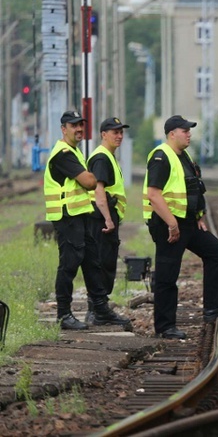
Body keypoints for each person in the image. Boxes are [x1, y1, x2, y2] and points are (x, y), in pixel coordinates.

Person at [144, 115, 218, 339]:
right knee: (168, 275)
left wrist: (198, 215)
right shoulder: (161, 156)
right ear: (171, 134)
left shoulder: (183, 156)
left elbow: (193, 187)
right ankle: (165, 327)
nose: (189, 134)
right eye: (184, 130)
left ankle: (214, 308)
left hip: (187, 222)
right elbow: (153, 195)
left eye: (189, 130)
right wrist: (171, 223)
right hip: (168, 224)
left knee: (216, 251)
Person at [44, 111, 121, 330]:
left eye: (81, 125)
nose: (78, 129)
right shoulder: (63, 153)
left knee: (91, 262)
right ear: (63, 129)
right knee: (69, 265)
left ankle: (101, 308)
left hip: (79, 215)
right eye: (73, 125)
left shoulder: (75, 152)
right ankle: (64, 315)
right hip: (67, 216)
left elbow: (87, 179)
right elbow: (89, 181)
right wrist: (89, 176)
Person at [85, 117, 133, 327]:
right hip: (101, 218)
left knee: (104, 262)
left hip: (103, 217)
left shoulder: (107, 157)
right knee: (103, 263)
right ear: (104, 134)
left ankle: (96, 311)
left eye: (121, 132)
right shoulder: (102, 158)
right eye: (115, 132)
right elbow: (99, 191)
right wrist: (107, 218)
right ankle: (99, 311)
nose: (119, 135)